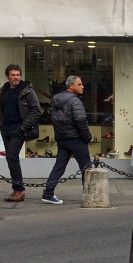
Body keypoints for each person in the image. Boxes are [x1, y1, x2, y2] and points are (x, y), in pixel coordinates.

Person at [41, 75, 92, 204]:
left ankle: (48, 193)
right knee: (86, 167)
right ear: (71, 86)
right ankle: (90, 194)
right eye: (79, 84)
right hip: (76, 138)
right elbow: (80, 120)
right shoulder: (75, 101)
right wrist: (87, 136)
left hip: (62, 138)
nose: (82, 86)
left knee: (59, 166)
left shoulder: (56, 100)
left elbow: (55, 120)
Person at [0, 63, 42, 202]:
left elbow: (36, 110)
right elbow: (0, 108)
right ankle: (17, 189)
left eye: (17, 75)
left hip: (19, 129)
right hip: (6, 128)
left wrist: (23, 127)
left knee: (12, 156)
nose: (15, 78)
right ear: (7, 76)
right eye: (13, 75)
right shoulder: (4, 89)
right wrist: (0, 124)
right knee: (10, 158)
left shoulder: (26, 90)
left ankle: (19, 190)